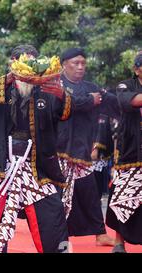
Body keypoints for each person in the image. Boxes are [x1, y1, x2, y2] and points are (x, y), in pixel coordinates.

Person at [0, 44, 70, 253]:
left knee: (52, 216)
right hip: (1, 165)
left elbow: (66, 111)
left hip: (36, 168)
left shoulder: (48, 91)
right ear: (13, 64)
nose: (29, 71)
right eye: (24, 64)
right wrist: (12, 76)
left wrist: (61, 93)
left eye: (32, 64)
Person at [56, 48, 117, 246]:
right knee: (60, 196)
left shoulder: (91, 87)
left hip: (81, 151)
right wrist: (90, 100)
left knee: (90, 192)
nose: (80, 67)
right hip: (58, 151)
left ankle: (100, 234)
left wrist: (130, 103)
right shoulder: (56, 85)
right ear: (64, 64)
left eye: (83, 63)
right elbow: (64, 103)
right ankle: (59, 235)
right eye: (76, 63)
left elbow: (115, 104)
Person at [106, 52, 142, 253]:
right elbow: (128, 102)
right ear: (137, 69)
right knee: (122, 197)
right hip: (130, 151)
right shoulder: (125, 85)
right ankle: (119, 242)